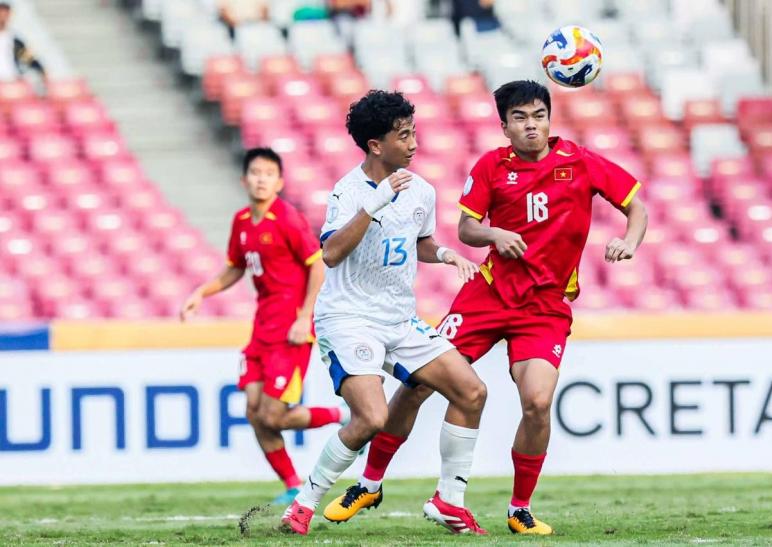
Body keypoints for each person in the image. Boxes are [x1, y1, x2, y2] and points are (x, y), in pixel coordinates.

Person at [326, 80, 649, 535]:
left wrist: (628, 240)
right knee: (419, 383)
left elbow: (636, 207)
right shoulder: (492, 166)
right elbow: (466, 229)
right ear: (505, 126)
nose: (531, 125)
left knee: (537, 401)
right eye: (520, 118)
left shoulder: (580, 161)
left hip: (545, 305)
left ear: (549, 118)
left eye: (538, 115)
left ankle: (519, 508)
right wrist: (495, 234)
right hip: (489, 293)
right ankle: (370, 481)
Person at [279, 90, 488, 536]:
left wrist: (447, 254)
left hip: (398, 319)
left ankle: (449, 501)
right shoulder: (348, 190)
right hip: (349, 318)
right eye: (404, 135)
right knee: (371, 418)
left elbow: (420, 242)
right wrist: (372, 204)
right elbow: (331, 253)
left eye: (413, 132)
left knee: (471, 392)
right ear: (376, 145)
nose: (413, 143)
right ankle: (305, 501)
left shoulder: (422, 190)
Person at [180, 148, 348, 505]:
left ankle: (345, 416)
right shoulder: (242, 221)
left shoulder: (287, 218)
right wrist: (201, 292)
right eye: (255, 172)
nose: (261, 178)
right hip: (262, 328)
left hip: (291, 328)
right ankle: (291, 485)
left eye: (268, 173)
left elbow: (317, 266)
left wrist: (305, 317)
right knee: (255, 413)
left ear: (279, 181)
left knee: (273, 414)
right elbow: (235, 268)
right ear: (244, 180)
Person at [0, 1, 47, 82]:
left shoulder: (15, 40)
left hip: (11, 80)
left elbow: (27, 57)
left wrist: (41, 70)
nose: (4, 16)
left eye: (6, 13)